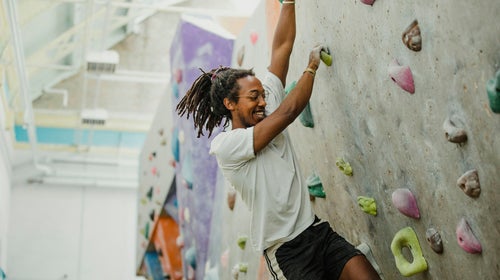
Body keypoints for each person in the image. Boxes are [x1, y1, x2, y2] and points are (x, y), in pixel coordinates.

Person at [176, 1, 381, 279]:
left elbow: (282, 47)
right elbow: (289, 111)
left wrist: (289, 3)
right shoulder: (227, 146)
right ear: (229, 103)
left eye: (262, 93)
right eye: (253, 97)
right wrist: (310, 68)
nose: (263, 102)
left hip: (315, 231)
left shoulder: (266, 104)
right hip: (287, 253)